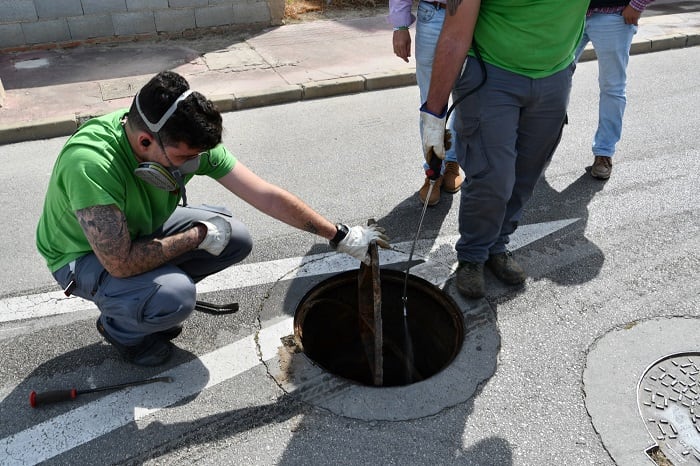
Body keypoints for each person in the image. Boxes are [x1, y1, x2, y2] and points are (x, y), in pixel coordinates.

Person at [36, 71, 389, 366]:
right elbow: (120, 263)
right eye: (183, 157)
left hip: (138, 230)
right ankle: (122, 329)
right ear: (145, 141)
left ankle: (146, 302)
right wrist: (197, 235)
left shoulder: (182, 140)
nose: (193, 163)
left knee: (235, 237)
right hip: (82, 257)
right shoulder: (91, 164)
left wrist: (339, 235)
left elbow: (264, 195)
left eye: (198, 156)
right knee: (175, 296)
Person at [420, 0, 589, 298]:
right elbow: (455, 35)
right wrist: (433, 115)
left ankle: (497, 244)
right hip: (492, 76)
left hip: (555, 76)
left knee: (527, 174)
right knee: (492, 178)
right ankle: (472, 255)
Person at [389, 0, 463, 206]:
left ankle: (452, 162)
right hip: (434, 13)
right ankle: (433, 173)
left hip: (473, 16)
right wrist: (400, 26)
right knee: (431, 105)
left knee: (465, 101)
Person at [575, 0, 654, 180]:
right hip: (568, 16)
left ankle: (604, 152)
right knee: (552, 81)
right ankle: (538, 148)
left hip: (613, 14)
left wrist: (638, 4)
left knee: (612, 87)